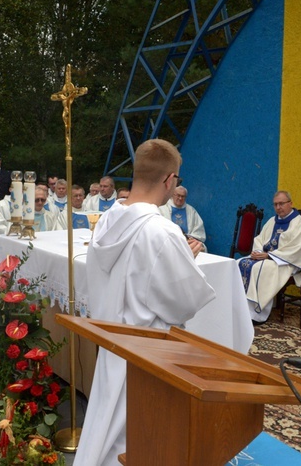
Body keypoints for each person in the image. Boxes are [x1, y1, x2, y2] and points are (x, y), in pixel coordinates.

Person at [76, 138, 215, 466]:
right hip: (147, 355)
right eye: (177, 181)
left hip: (112, 344)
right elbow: (183, 303)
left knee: (106, 429)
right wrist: (187, 259)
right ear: (170, 180)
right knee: (138, 440)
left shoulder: (106, 221)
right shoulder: (162, 233)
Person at [238, 191, 301, 323]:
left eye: (281, 203)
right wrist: (257, 252)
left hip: (289, 262)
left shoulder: (300, 224)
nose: (278, 207)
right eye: (275, 204)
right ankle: (240, 308)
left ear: (290, 203)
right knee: (239, 263)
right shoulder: (271, 221)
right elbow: (259, 239)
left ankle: (256, 313)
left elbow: (296, 249)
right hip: (268, 258)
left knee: (261, 269)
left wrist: (268, 256)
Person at [158, 185, 207, 250]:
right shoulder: (162, 209)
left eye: (183, 196)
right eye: (178, 195)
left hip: (188, 243)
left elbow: (199, 231)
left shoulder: (191, 211)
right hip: (170, 242)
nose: (180, 198)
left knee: (201, 248)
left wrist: (190, 238)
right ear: (172, 195)